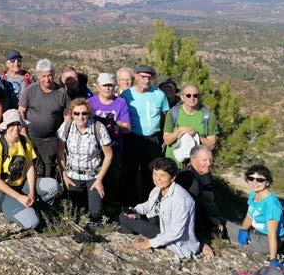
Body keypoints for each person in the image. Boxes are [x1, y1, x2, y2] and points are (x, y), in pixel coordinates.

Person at [0, 109, 60, 229]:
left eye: (18, 124)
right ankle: (14, 211)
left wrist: (32, 192)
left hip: (21, 185)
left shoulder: (24, 141)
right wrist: (19, 197)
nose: (16, 128)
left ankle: (38, 209)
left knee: (52, 185)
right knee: (32, 222)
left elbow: (30, 167)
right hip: (2, 192)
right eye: (12, 124)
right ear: (6, 126)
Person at [120, 157, 200, 261]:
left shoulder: (181, 199)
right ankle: (129, 240)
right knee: (124, 216)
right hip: (157, 225)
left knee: (131, 221)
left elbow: (175, 233)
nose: (157, 179)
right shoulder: (157, 189)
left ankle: (134, 243)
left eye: (162, 175)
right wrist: (135, 210)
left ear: (173, 177)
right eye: (155, 174)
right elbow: (148, 205)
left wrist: (148, 243)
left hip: (172, 241)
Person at [57, 98, 113, 223]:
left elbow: (108, 155)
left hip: (93, 176)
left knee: (95, 213)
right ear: (72, 114)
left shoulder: (98, 128)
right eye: (76, 113)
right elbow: (60, 151)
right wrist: (64, 175)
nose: (80, 117)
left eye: (84, 113)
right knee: (75, 213)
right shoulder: (66, 127)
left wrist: (99, 180)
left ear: (89, 113)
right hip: (73, 176)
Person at [120, 65, 169, 206]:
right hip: (132, 138)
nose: (146, 80)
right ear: (136, 76)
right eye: (143, 77)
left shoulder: (159, 95)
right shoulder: (127, 95)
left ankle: (149, 205)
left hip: (153, 139)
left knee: (151, 173)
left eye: (149, 77)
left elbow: (167, 116)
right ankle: (129, 206)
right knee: (130, 172)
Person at [18, 59, 70, 178]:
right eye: (43, 76)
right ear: (38, 75)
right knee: (29, 167)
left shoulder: (61, 93)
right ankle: (30, 189)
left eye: (50, 75)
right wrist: (24, 134)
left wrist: (62, 138)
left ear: (54, 74)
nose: (47, 79)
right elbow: (21, 112)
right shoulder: (29, 90)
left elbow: (67, 118)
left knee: (49, 169)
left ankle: (49, 189)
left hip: (50, 140)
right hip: (30, 137)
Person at [225, 163, 283, 267]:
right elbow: (250, 215)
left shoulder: (271, 204)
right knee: (229, 226)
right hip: (257, 232)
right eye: (251, 178)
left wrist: (273, 259)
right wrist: (243, 229)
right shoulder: (253, 193)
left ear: (267, 182)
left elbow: (272, 234)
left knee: (226, 226)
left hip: (267, 241)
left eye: (260, 180)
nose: (254, 182)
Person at [89, 73, 131, 199]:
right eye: (105, 85)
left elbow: (127, 128)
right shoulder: (91, 102)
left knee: (113, 177)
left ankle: (112, 203)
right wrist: (114, 124)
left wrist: (113, 125)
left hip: (114, 147)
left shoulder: (120, 102)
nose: (108, 88)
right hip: (94, 148)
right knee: (94, 176)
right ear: (98, 87)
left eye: (110, 85)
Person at [176, 146, 224, 252]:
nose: (209, 163)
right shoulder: (188, 178)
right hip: (191, 225)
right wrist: (201, 243)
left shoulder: (204, 173)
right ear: (193, 159)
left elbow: (207, 200)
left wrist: (216, 218)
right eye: (205, 160)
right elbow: (185, 215)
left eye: (211, 160)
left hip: (205, 218)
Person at [163, 84, 217, 166]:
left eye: (195, 95)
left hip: (196, 165)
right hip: (173, 162)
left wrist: (196, 136)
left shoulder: (208, 115)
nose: (192, 98)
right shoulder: (173, 113)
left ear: (199, 97)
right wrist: (180, 131)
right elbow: (167, 140)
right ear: (182, 97)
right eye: (188, 95)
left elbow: (211, 145)